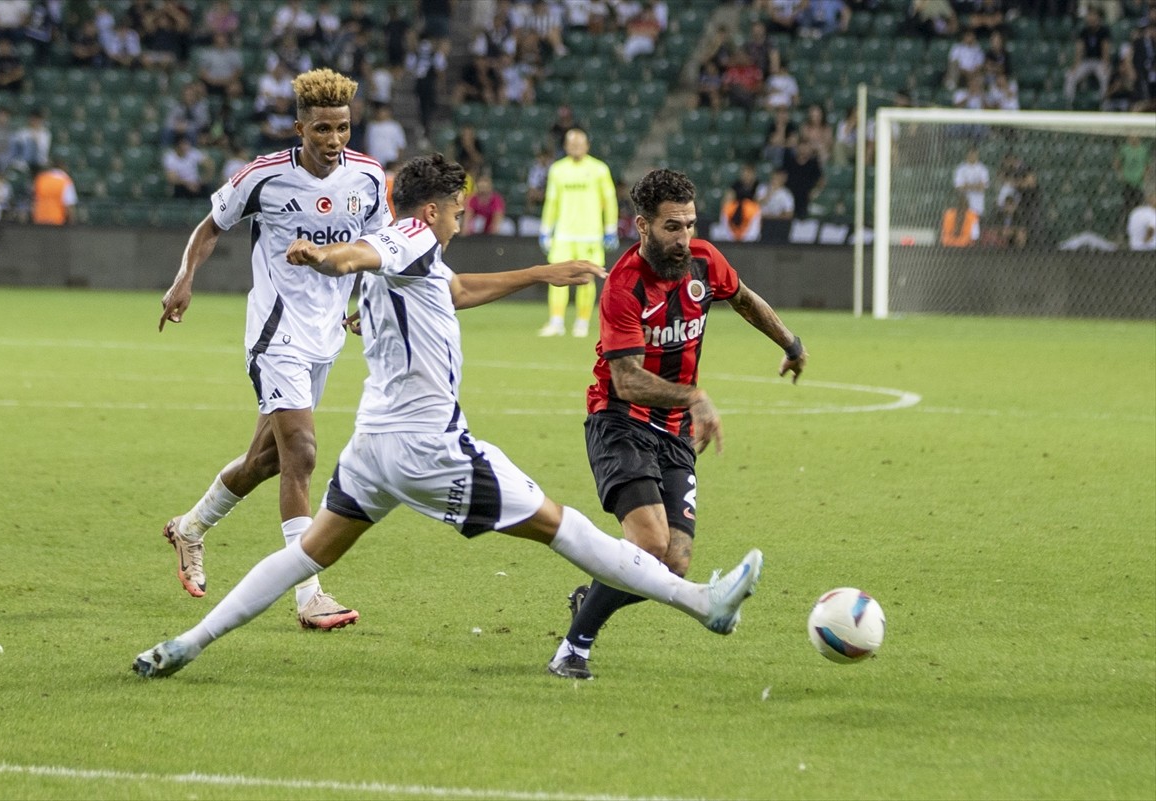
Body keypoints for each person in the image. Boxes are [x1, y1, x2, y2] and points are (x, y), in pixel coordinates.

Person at [132, 154, 764, 679]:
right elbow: (358, 255)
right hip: (428, 448)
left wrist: (545, 273)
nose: (462, 220)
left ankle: (187, 644)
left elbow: (453, 290)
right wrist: (325, 259)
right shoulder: (406, 236)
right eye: (458, 210)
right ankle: (701, 603)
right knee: (565, 528)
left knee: (304, 558)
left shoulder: (418, 259)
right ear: (431, 210)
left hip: (373, 449)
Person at [546, 168, 805, 681]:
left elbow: (745, 300)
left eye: (689, 224)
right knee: (647, 545)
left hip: (675, 431)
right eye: (672, 227)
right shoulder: (624, 287)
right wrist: (696, 397)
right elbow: (625, 380)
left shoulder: (705, 261)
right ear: (642, 225)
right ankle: (573, 649)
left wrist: (790, 342)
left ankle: (591, 599)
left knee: (674, 563)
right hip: (619, 421)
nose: (684, 237)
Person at [155, 68, 390, 630]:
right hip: (274, 334)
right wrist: (184, 277)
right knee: (302, 453)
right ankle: (308, 594)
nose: (334, 141)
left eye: (343, 129)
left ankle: (190, 527)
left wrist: (369, 299)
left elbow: (379, 245)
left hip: (326, 335)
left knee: (265, 461)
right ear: (299, 128)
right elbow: (211, 226)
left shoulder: (368, 177)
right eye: (322, 130)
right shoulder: (263, 177)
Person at [537, 129, 617, 338]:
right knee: (557, 276)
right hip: (563, 233)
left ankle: (582, 322)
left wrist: (610, 228)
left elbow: (609, 200)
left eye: (579, 143)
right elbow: (551, 201)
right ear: (565, 146)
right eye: (571, 143)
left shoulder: (599, 169)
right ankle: (556, 321)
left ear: (587, 145)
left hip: (590, 234)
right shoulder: (557, 170)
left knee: (587, 278)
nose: (575, 147)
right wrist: (546, 230)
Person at [31, 159, 77, 225]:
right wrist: (72, 223)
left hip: (40, 219)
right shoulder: (65, 180)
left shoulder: (41, 178)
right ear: (63, 167)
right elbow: (69, 205)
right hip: (57, 221)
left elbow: (34, 201)